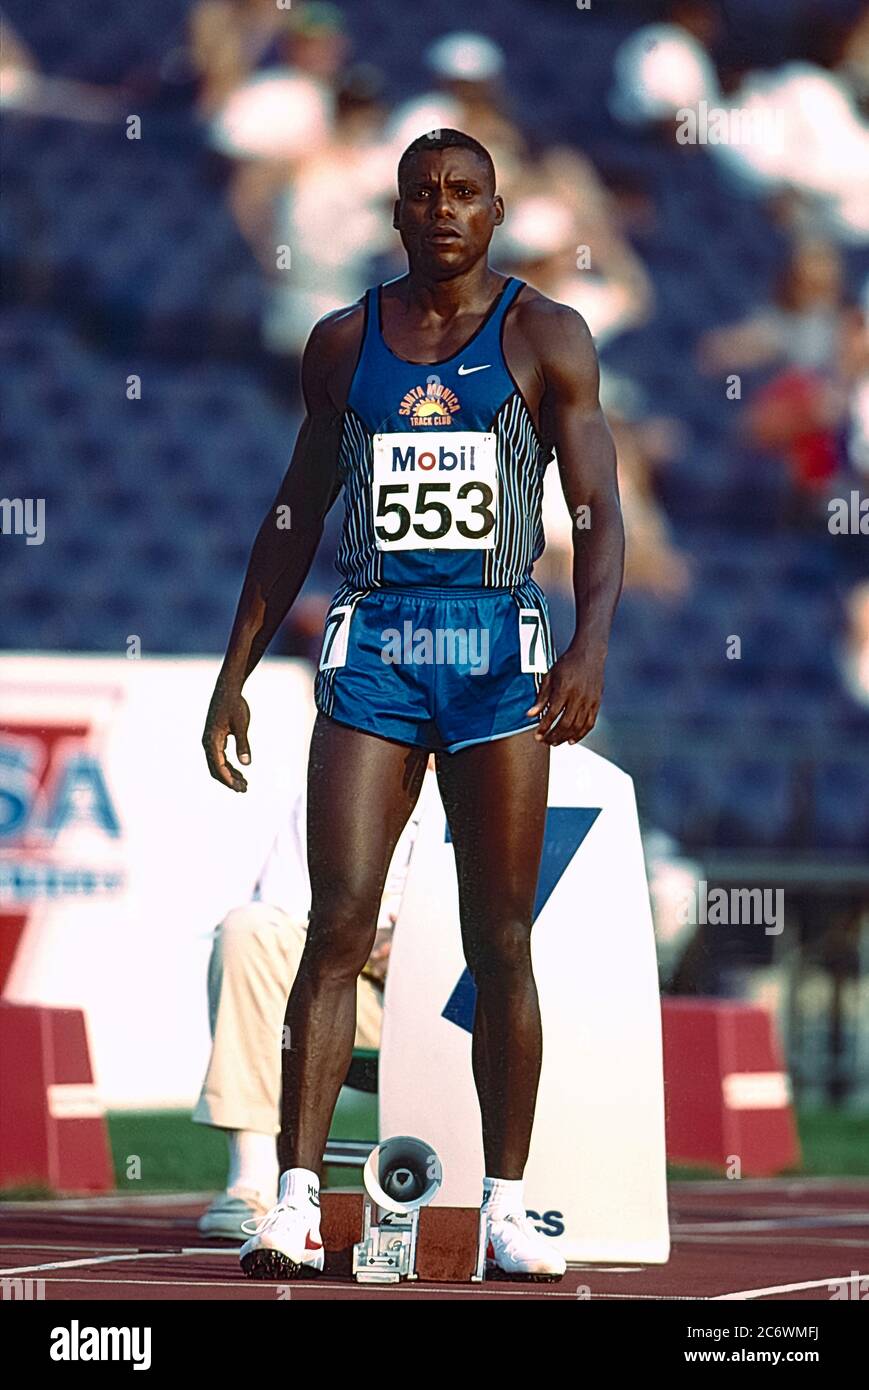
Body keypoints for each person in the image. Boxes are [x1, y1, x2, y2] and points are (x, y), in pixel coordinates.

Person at [202, 129, 624, 1282]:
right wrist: (232, 671)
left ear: (497, 212)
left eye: (464, 194)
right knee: (333, 926)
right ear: (394, 214)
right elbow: (293, 513)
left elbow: (593, 508)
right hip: (377, 648)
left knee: (499, 939)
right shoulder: (342, 344)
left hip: (493, 651)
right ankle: (292, 1199)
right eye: (422, 194)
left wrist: (589, 643)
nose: (442, 209)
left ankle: (503, 1204)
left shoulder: (545, 336)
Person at [194, 781, 424, 1238]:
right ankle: (254, 1181)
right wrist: (364, 941)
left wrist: (415, 946)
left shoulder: (495, 777)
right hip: (347, 986)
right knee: (250, 932)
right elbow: (284, 910)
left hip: (450, 1002)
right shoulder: (344, 772)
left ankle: (504, 1199)